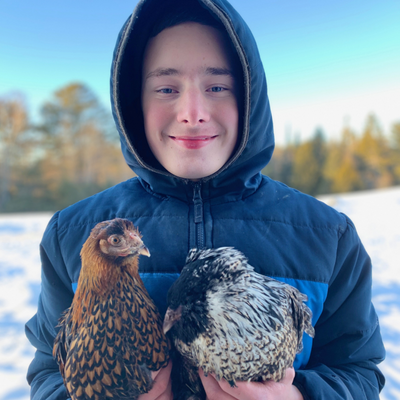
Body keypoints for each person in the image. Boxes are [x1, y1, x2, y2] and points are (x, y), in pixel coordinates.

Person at [25, 0, 385, 399]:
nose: (192, 113)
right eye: (166, 88)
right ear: (133, 104)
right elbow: (48, 370)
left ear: (249, 96)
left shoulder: (327, 235)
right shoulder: (71, 233)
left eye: (216, 86)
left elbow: (358, 370)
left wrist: (300, 397)